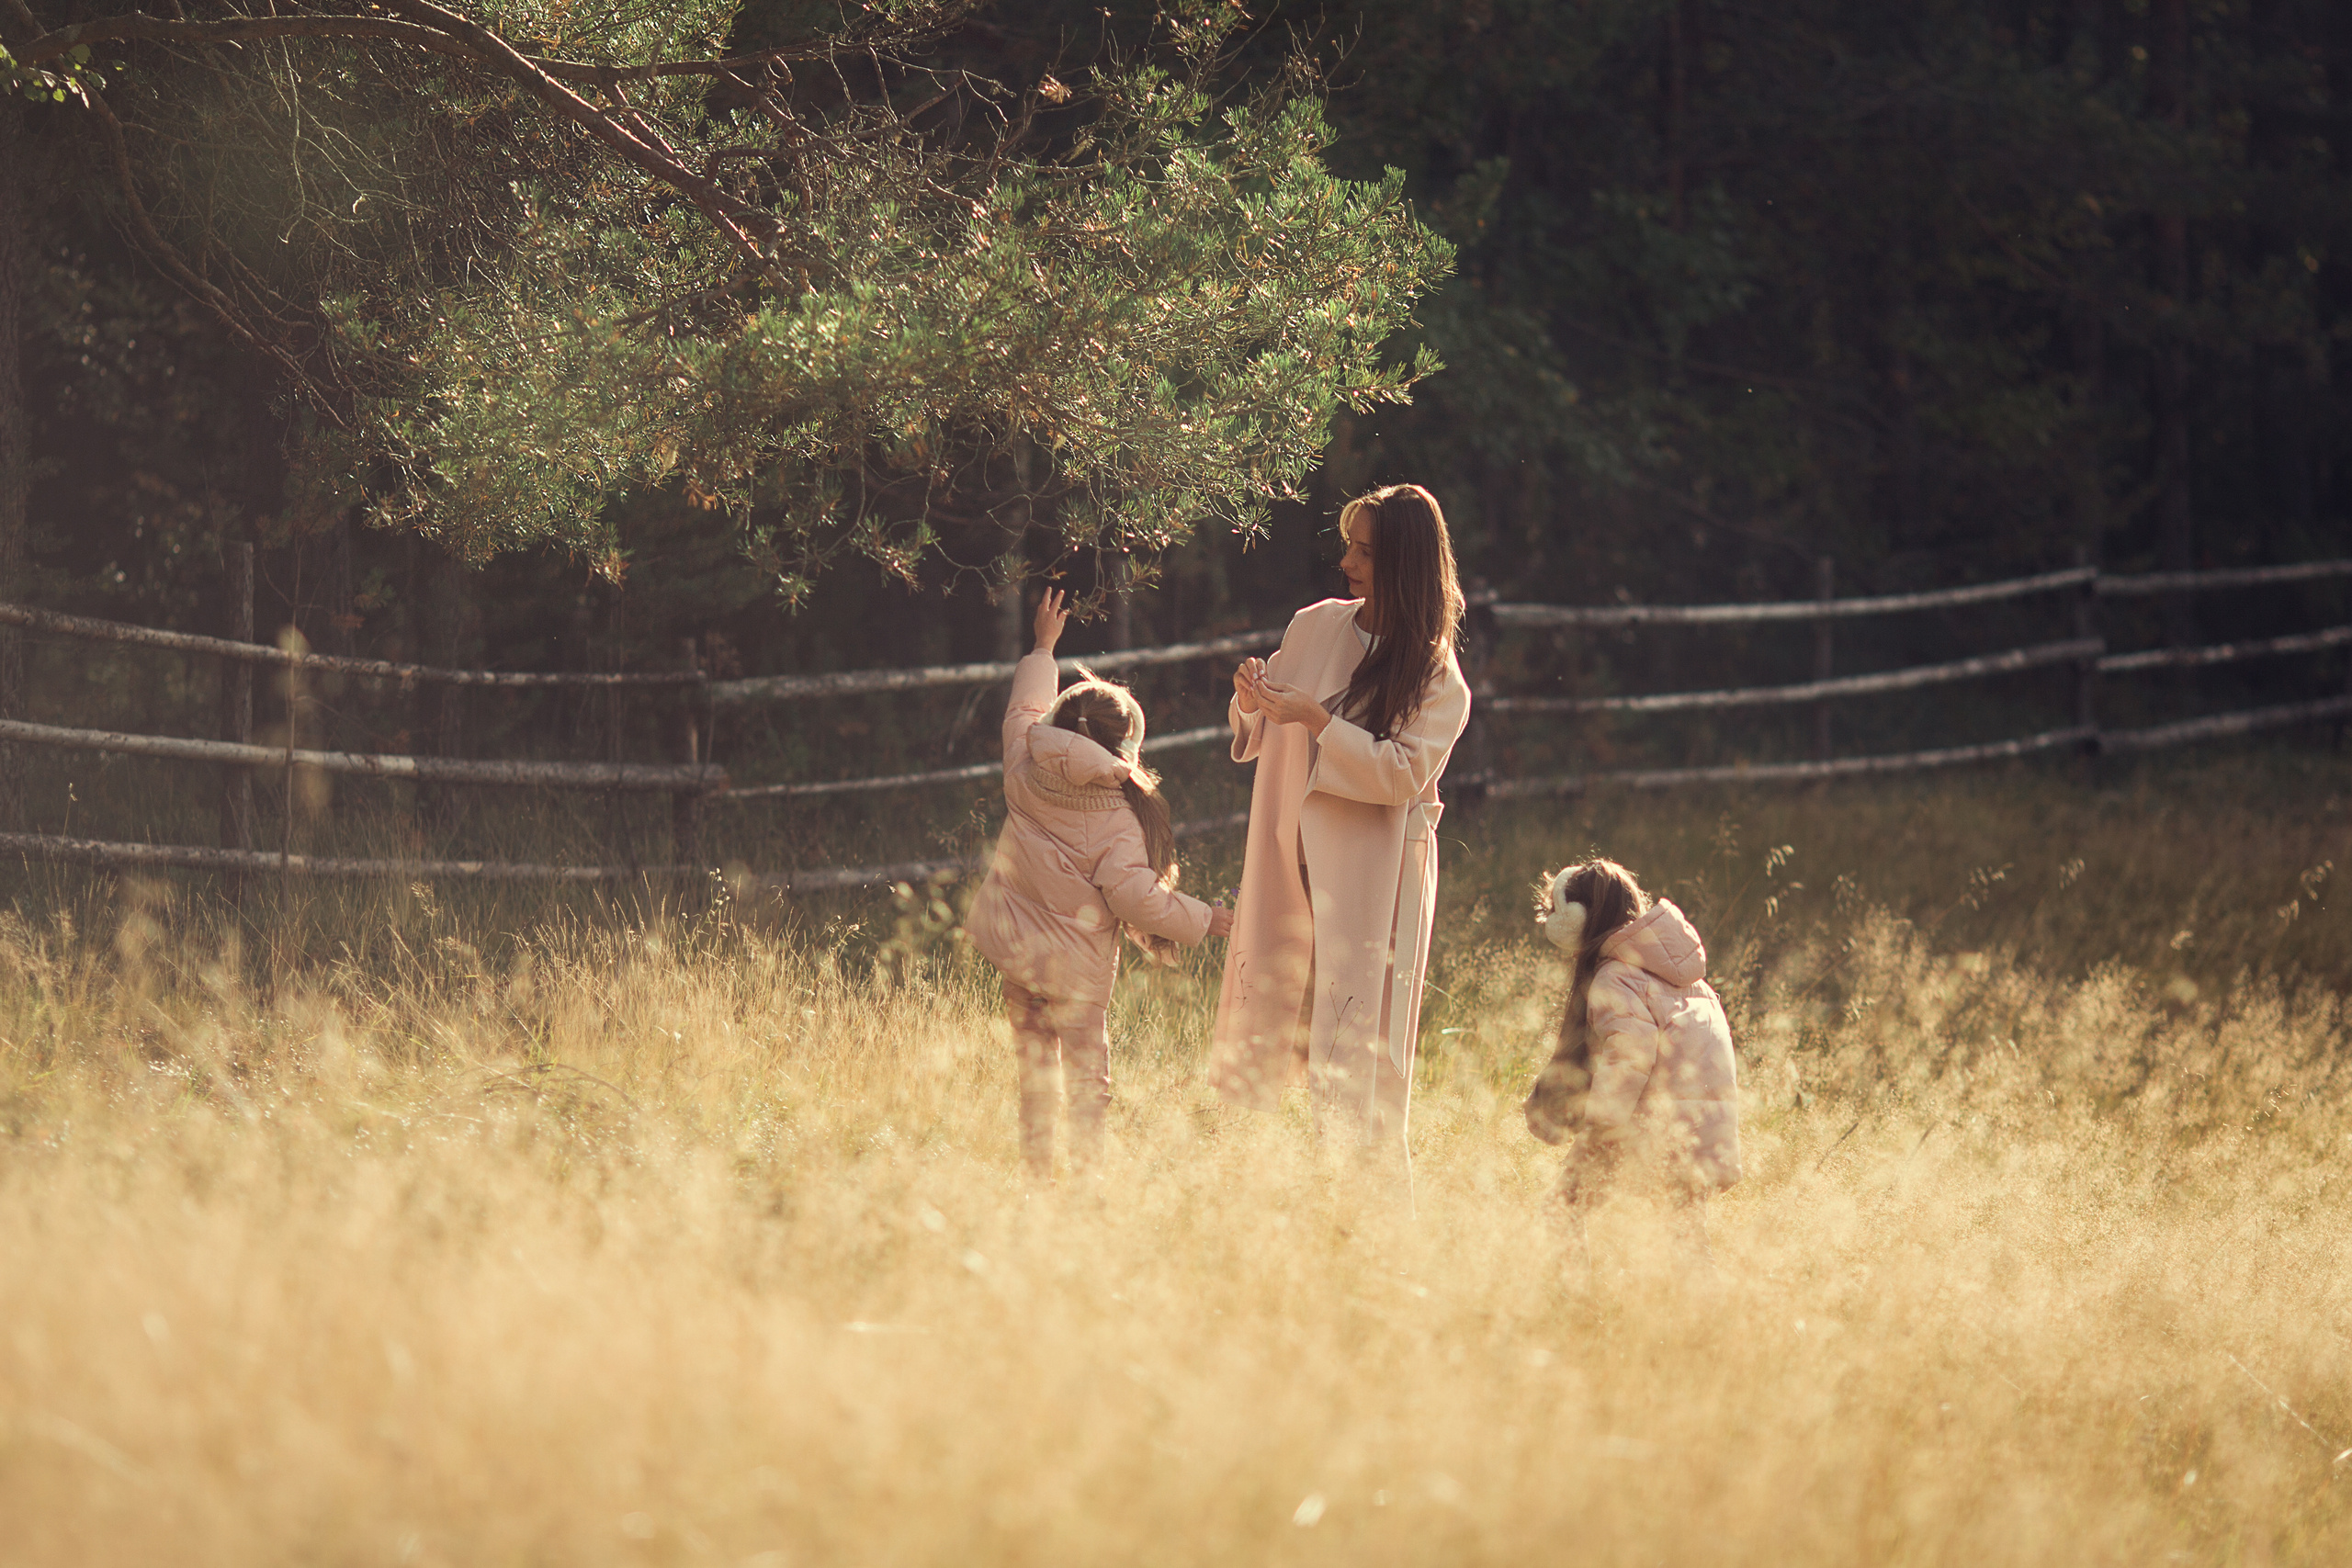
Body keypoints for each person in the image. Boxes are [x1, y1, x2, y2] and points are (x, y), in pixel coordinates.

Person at [1205, 483, 1473, 1179]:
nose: (1346, 562)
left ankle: (1377, 1233)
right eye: (1348, 545)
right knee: (1262, 1049)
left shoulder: (1439, 679)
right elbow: (1262, 728)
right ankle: (1266, 1206)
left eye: (1365, 551)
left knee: (1362, 1068)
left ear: (1407, 565)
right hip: (1288, 855)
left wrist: (1318, 721)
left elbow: (1397, 775)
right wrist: (1248, 699)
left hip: (1372, 881)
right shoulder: (1315, 624)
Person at [965, 588, 1235, 1182]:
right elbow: (1135, 897)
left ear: (1061, 723)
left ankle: (1039, 1177)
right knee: (1088, 1080)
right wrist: (1205, 918)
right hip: (1078, 982)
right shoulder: (1116, 816)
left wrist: (1043, 645)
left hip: (1019, 961)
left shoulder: (1025, 764)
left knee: (1035, 1071)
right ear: (1122, 747)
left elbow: (1021, 708)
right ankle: (1086, 1184)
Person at [1521, 859, 1742, 1282]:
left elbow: (1629, 1061)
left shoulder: (1615, 979)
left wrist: (1599, 1129)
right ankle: (1711, 1322)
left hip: (1645, 1130)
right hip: (1703, 1131)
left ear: (1577, 919)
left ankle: (1576, 1304)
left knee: (1561, 1209)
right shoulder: (1688, 980)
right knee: (1687, 1238)